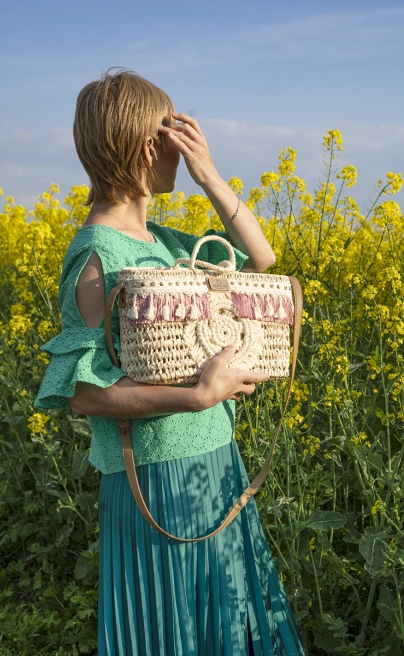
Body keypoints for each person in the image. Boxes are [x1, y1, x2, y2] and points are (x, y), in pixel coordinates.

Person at [34, 67, 305, 656]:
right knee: (172, 629)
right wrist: (198, 395)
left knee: (225, 620)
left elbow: (261, 258)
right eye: (173, 138)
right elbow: (82, 393)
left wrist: (211, 176)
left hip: (214, 461)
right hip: (155, 479)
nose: (183, 154)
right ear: (146, 145)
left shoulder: (166, 243)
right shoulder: (96, 257)